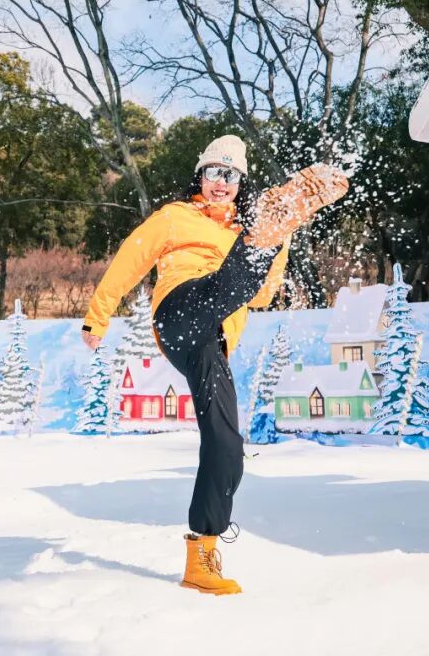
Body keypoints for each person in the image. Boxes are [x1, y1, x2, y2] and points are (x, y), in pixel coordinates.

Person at [81, 135, 349, 595]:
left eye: (230, 175)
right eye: (212, 173)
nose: (220, 183)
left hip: (214, 338)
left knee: (227, 445)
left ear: (240, 183)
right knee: (225, 279)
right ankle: (271, 230)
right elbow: (130, 258)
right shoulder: (175, 217)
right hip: (180, 309)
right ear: (200, 177)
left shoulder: (250, 230)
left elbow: (261, 296)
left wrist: (276, 243)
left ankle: (201, 556)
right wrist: (98, 315)